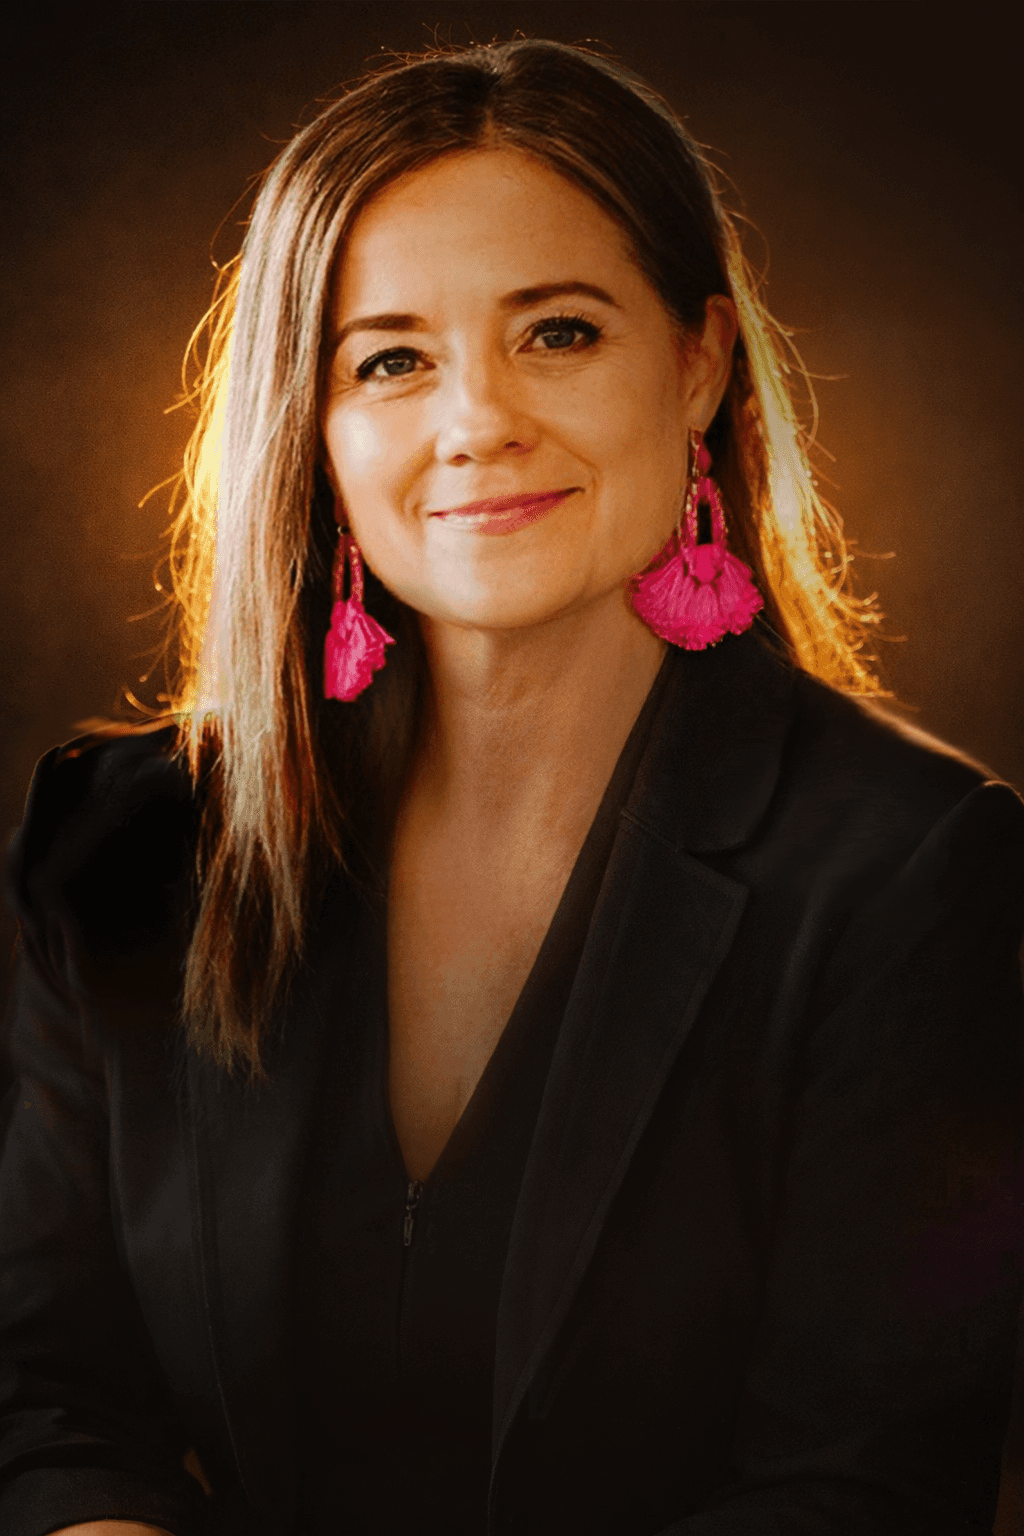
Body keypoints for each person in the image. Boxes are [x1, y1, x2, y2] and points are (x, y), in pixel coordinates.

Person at [1, 37, 1021, 1536]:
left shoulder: (908, 868)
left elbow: (859, 1484)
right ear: (315, 427)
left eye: (557, 333)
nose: (477, 418)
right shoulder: (126, 838)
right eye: (392, 358)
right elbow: (42, 1396)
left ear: (699, 362)